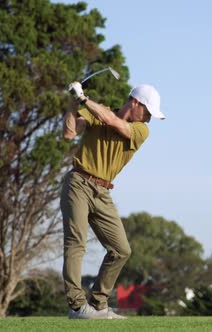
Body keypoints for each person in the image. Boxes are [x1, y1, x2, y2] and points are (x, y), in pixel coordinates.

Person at [61, 81, 165, 319]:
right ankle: (77, 306)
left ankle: (98, 304)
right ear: (135, 103)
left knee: (121, 249)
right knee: (76, 243)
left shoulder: (141, 131)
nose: (148, 119)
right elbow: (68, 133)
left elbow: (113, 122)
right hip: (78, 183)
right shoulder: (96, 113)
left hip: (103, 192)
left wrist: (85, 100)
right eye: (147, 112)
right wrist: (72, 105)